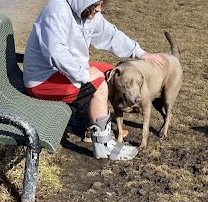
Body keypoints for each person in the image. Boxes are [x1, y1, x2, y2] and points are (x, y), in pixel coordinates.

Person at [23, 0, 164, 160]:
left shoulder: (87, 12)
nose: (98, 9)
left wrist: (139, 53)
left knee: (108, 72)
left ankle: (94, 125)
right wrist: (83, 74)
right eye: (95, 3)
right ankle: (103, 145)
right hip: (42, 80)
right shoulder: (56, 10)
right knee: (98, 83)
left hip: (63, 72)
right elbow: (56, 53)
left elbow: (110, 34)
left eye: (102, 4)